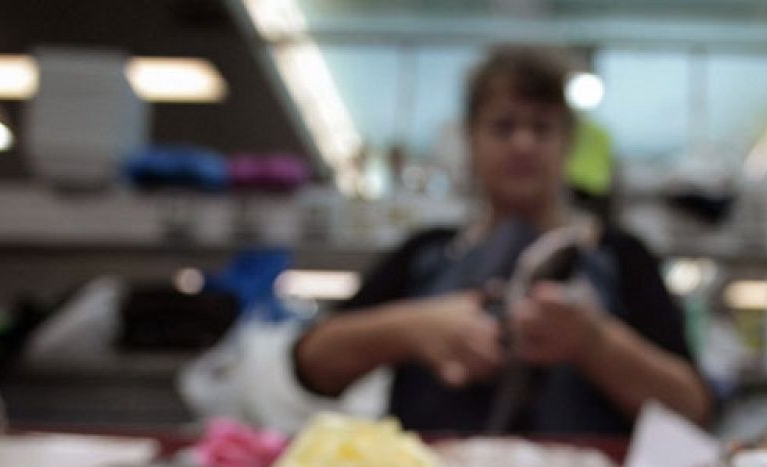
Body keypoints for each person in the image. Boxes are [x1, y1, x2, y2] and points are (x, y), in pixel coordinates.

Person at [292, 46, 711, 435]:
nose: (523, 143)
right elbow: (312, 363)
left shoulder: (623, 257)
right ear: (471, 141)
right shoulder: (423, 253)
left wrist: (595, 344)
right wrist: (410, 328)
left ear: (567, 144)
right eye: (503, 126)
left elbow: (692, 407)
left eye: (541, 128)